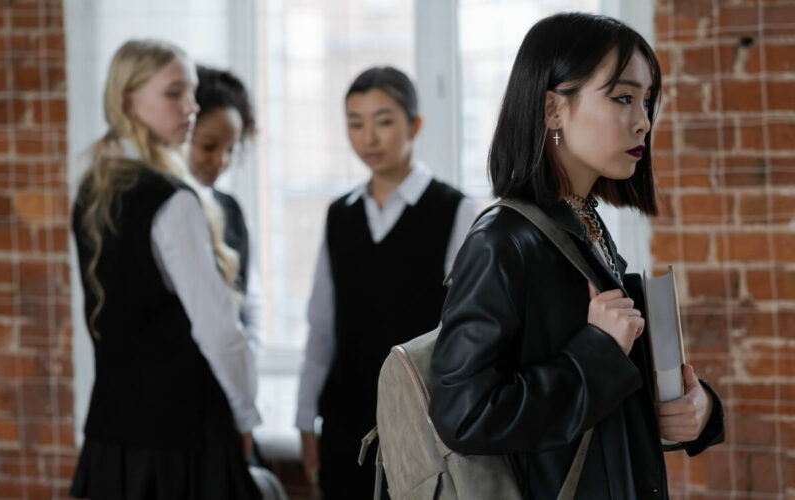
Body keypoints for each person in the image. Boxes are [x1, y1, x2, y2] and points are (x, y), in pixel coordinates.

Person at [427, 13, 725, 500]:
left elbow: (597, 406)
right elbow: (463, 414)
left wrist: (700, 409)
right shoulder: (503, 241)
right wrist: (597, 351)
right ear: (552, 110)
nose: (643, 120)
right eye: (623, 98)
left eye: (647, 101)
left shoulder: (583, 226)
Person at [70, 40, 261, 500]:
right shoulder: (172, 200)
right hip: (184, 444)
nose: (191, 108)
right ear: (128, 100)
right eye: (174, 93)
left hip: (111, 440)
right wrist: (246, 417)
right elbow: (219, 331)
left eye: (192, 93)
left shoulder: (92, 192)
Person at [295, 66, 479, 499]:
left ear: (414, 124)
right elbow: (321, 328)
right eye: (355, 123)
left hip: (424, 419)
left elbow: (467, 332)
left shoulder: (455, 210)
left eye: (383, 121)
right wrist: (305, 419)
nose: (368, 138)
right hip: (345, 423)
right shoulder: (339, 215)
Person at [188, 64, 262, 358]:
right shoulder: (162, 208)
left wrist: (251, 354)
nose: (220, 160)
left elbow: (252, 299)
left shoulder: (231, 209)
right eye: (208, 146)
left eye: (231, 149)